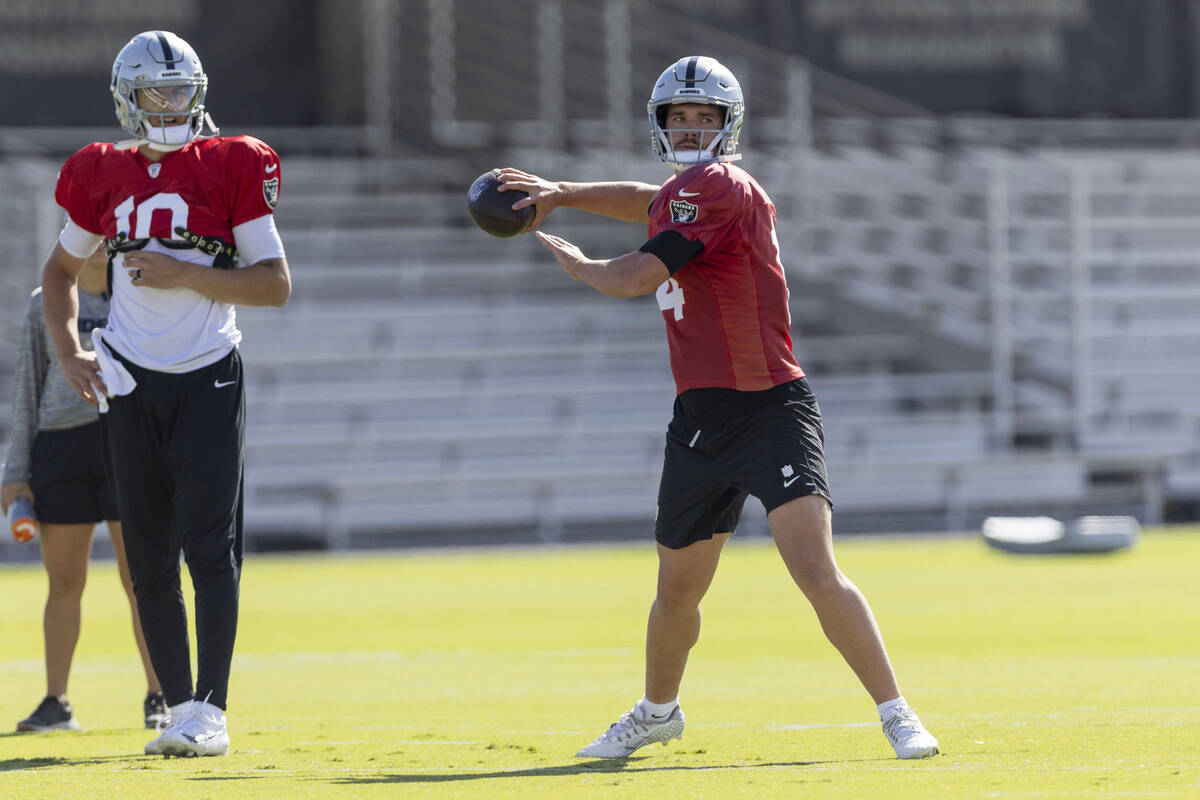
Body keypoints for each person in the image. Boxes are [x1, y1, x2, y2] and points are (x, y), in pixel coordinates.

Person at [498, 56, 939, 760]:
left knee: (814, 569)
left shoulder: (720, 184)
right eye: (681, 117)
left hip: (769, 408)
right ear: (661, 123)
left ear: (728, 126)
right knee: (676, 590)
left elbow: (636, 275)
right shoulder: (690, 189)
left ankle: (897, 713)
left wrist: (583, 265)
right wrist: (562, 192)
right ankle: (657, 710)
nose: (693, 128)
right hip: (701, 416)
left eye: (705, 118)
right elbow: (651, 199)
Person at [40, 30, 291, 757]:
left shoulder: (231, 163)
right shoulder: (101, 172)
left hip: (209, 371)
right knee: (147, 557)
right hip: (128, 377)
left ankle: (211, 709)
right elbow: (58, 272)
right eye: (157, 92)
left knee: (211, 546)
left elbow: (273, 283)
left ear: (200, 91)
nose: (171, 104)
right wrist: (69, 351)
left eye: (180, 90)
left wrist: (187, 274)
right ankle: (177, 709)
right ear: (129, 98)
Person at [2, 248, 165, 733]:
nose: (95, 240)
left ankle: (161, 696)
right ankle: (57, 703)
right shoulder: (44, 301)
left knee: (142, 582)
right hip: (60, 450)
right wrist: (16, 467)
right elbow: (28, 383)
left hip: (126, 446)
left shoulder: (142, 299)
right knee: (64, 582)